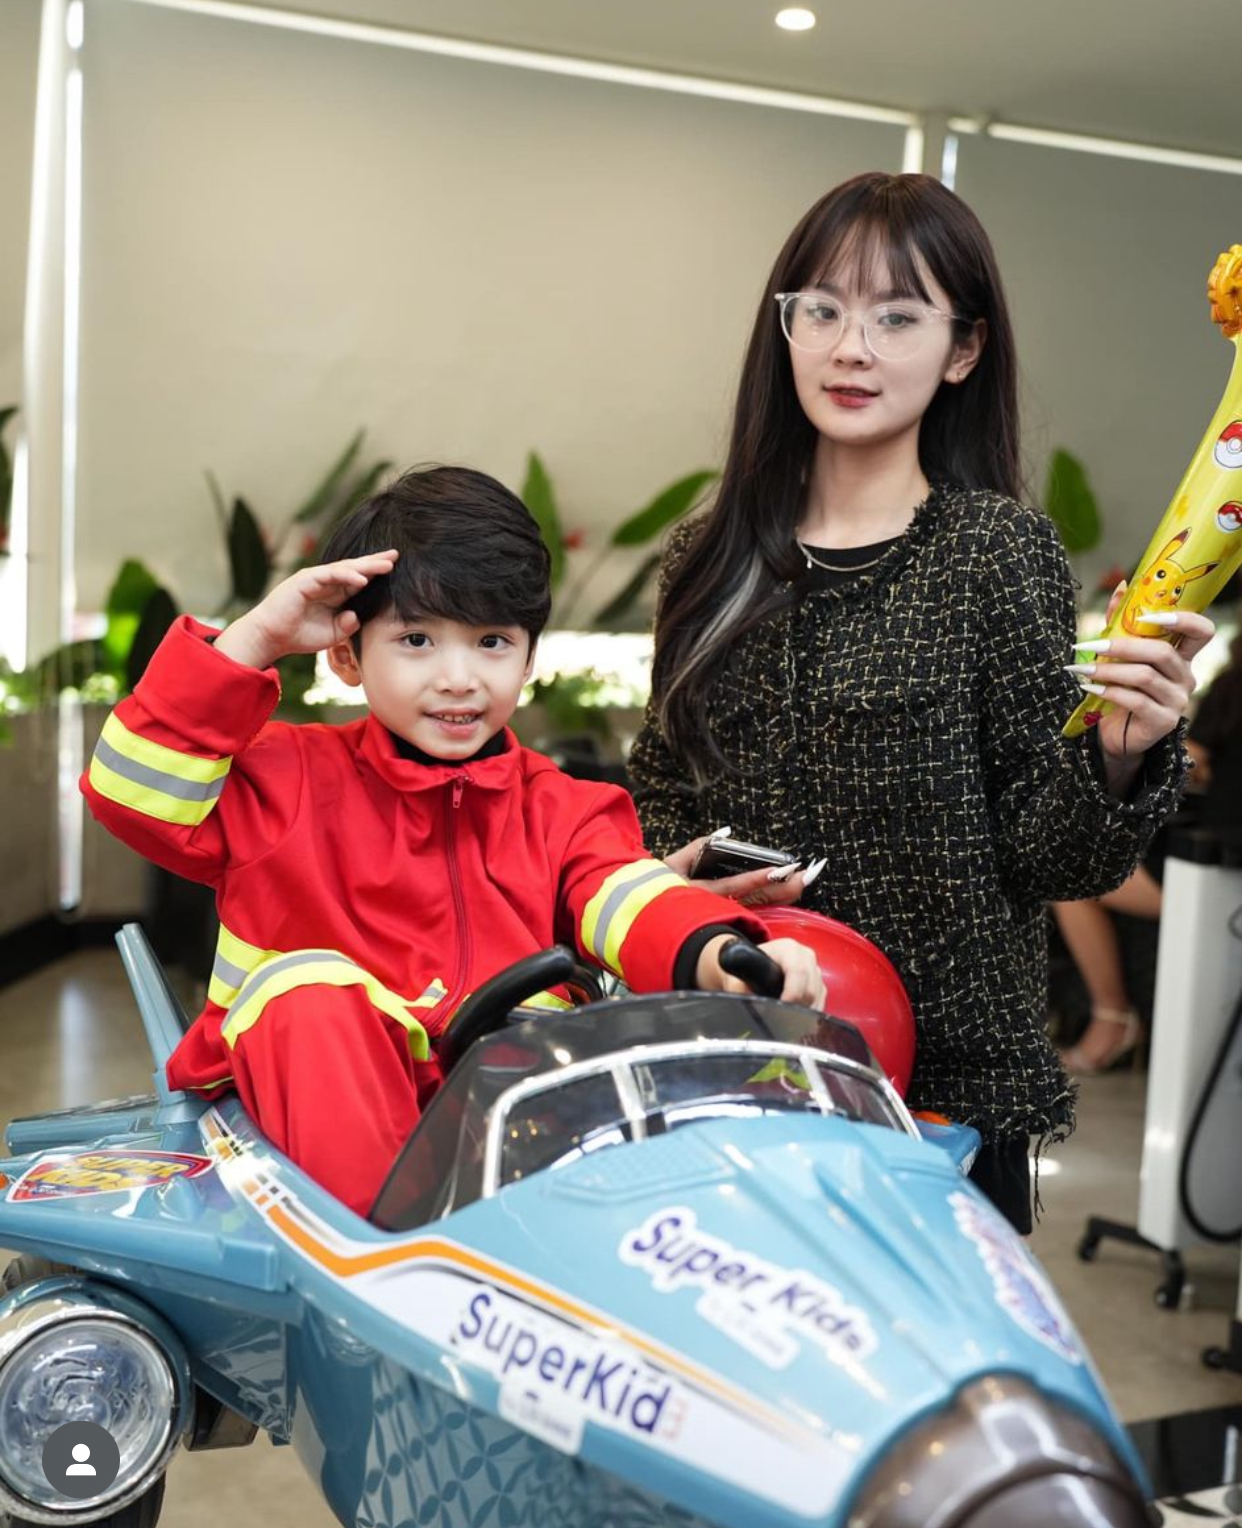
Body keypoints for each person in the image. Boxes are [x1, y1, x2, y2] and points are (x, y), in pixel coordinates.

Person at [627, 171, 1210, 1233]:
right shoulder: (707, 558)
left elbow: (1049, 858)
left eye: (897, 317)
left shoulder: (994, 552)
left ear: (963, 349)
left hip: (939, 1100)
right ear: (785, 328)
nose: (852, 347)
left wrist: (1118, 755)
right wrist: (677, 878)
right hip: (725, 1055)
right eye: (823, 309)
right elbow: (658, 786)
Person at [82, 467, 824, 1216]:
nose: (459, 678)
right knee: (309, 994)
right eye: (416, 640)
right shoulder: (280, 778)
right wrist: (253, 642)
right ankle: (393, 1261)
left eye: (492, 641)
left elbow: (627, 895)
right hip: (313, 1125)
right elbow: (128, 793)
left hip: (517, 1118)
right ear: (346, 655)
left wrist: (724, 954)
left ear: (529, 659)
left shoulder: (565, 809)